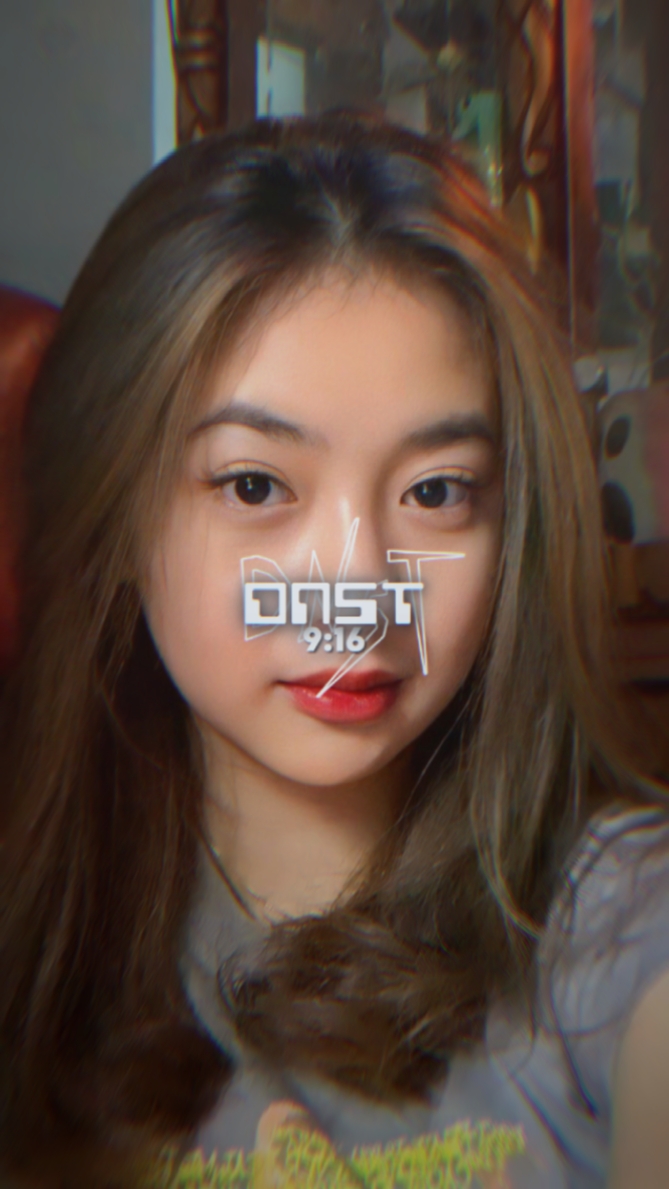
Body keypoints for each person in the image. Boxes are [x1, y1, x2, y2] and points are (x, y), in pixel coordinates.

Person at [0, 114, 668, 1189]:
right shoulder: (34, 934)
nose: (353, 598)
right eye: (255, 484)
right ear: (116, 508)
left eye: (436, 492)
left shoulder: (618, 926)